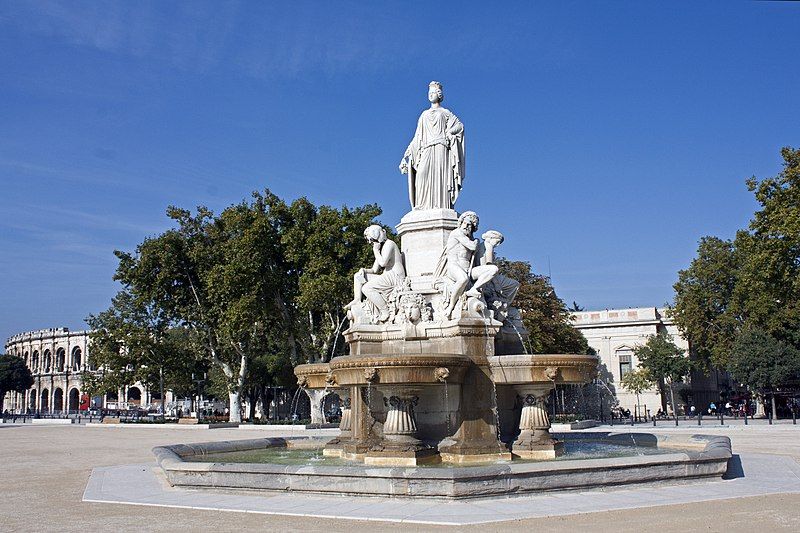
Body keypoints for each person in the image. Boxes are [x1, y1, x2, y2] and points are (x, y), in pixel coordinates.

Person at [399, 81, 465, 210]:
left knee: (440, 176)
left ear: (439, 95)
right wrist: (405, 156)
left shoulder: (445, 113)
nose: (431, 95)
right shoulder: (424, 115)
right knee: (422, 174)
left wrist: (449, 132)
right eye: (429, 93)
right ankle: (422, 205)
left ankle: (440, 204)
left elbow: (460, 126)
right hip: (426, 148)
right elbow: (417, 137)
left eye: (433, 92)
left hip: (441, 147)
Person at [436, 211, 500, 318]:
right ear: (460, 223)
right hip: (454, 267)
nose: (466, 226)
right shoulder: (456, 233)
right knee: (463, 279)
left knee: (493, 269)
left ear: (473, 227)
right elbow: (472, 247)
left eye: (469, 224)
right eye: (464, 223)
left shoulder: (471, 238)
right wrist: (475, 242)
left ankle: (473, 289)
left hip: (468, 269)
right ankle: (451, 307)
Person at [346, 225, 405, 322]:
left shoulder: (389, 244)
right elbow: (374, 270)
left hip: (395, 276)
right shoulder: (382, 247)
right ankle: (357, 299)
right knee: (357, 276)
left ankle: (385, 310)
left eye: (371, 240)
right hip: (387, 275)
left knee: (366, 288)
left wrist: (376, 250)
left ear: (377, 236)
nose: (370, 243)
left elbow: (383, 263)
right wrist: (364, 270)